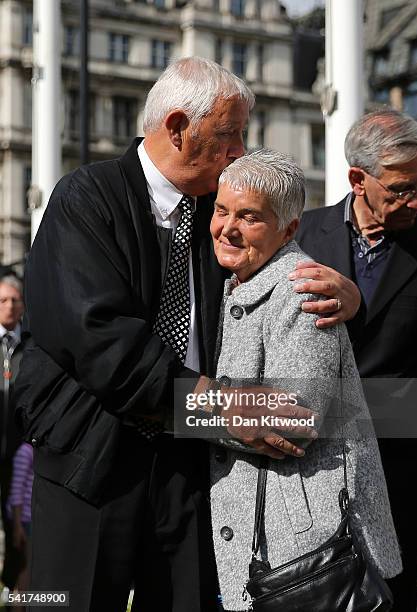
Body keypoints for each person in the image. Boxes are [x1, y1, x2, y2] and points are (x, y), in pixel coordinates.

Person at [15, 57, 361, 612]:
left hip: (191, 469)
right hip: (92, 463)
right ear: (177, 129)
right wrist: (219, 410)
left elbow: (281, 254)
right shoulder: (85, 197)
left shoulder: (215, 214)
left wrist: (348, 293)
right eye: (229, 134)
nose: (239, 151)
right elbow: (101, 341)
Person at [208, 149, 401, 612]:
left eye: (249, 217)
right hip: (277, 541)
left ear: (289, 229)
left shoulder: (302, 291)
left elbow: (294, 414)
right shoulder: (235, 277)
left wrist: (183, 408)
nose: (227, 227)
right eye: (221, 210)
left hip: (307, 547)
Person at [295, 108, 417, 612]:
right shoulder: (300, 236)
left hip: (401, 475)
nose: (416, 200)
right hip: (310, 472)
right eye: (401, 189)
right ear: (357, 179)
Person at [0, 273, 24, 592]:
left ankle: (15, 593)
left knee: (20, 531)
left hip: (21, 461)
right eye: (3, 300)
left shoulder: (31, 345)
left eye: (14, 300)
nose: (9, 306)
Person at [6, 442, 33, 612]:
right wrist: (17, 526)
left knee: (27, 572)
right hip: (25, 520)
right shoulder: (26, 451)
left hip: (31, 519)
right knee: (26, 572)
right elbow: (16, 491)